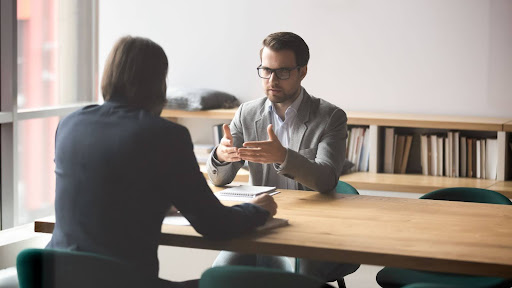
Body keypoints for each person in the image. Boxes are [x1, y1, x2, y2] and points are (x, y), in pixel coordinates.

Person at [46, 36, 278, 288]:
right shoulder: (165, 135)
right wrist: (258, 210)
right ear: (158, 83)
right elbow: (214, 225)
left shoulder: (70, 123)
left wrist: (154, 202)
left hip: (55, 276)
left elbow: (101, 187)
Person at [207, 32, 359, 283]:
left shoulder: (330, 117)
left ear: (302, 72)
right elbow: (220, 180)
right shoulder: (247, 112)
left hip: (314, 227)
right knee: (220, 275)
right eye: (266, 70)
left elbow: (326, 179)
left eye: (283, 72)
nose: (272, 80)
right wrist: (222, 156)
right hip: (262, 222)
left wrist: (284, 156)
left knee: (288, 275)